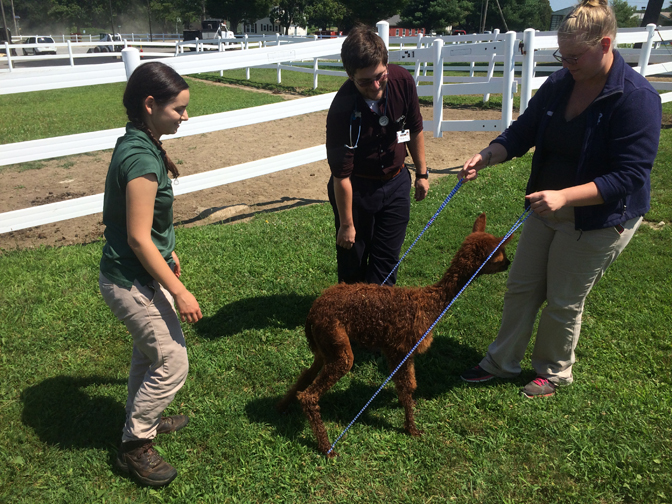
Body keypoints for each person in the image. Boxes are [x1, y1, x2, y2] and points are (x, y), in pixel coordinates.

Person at [457, 0, 661, 398]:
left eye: (573, 56)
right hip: (546, 207)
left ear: (605, 44)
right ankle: (500, 362)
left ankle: (553, 372)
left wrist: (565, 197)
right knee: (522, 287)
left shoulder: (636, 98)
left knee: (563, 300)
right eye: (560, 55)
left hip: (599, 218)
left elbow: (630, 175)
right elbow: (523, 131)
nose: (565, 63)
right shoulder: (559, 84)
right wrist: (486, 156)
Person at [98, 61, 203, 486]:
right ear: (149, 104)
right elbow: (139, 239)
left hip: (139, 273)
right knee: (174, 362)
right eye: (178, 108)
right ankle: (134, 445)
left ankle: (145, 419)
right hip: (128, 280)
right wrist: (180, 291)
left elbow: (148, 232)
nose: (185, 116)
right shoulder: (140, 157)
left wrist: (168, 252)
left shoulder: (142, 140)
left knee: (151, 351)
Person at [326, 24, 429, 286]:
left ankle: (376, 321)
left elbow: (415, 128)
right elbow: (341, 176)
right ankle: (350, 318)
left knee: (386, 263)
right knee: (353, 263)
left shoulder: (403, 82)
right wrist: (347, 224)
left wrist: (422, 173)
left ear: (386, 64)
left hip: (396, 183)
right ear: (350, 75)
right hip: (357, 188)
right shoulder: (342, 108)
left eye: (380, 76)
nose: (375, 85)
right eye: (365, 81)